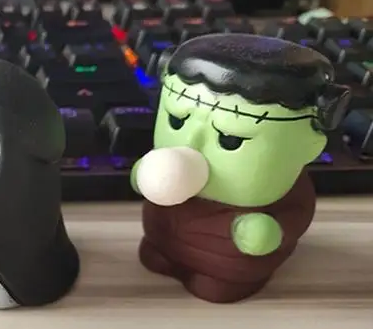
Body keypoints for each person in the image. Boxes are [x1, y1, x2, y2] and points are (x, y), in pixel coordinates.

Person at [132, 34, 350, 303]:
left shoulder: (291, 191)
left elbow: (297, 213)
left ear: (308, 147)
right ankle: (164, 252)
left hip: (225, 265)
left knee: (215, 288)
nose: (190, 148)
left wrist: (268, 232)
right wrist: (144, 176)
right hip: (162, 239)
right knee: (154, 257)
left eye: (230, 139)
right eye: (176, 121)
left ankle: (222, 278)